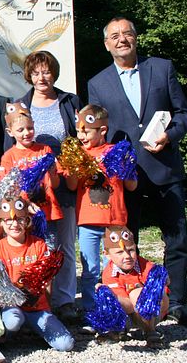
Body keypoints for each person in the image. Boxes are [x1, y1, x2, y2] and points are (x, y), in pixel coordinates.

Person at [87, 17, 187, 327]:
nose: (122, 39)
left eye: (127, 33)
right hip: (125, 177)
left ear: (136, 38)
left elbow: (184, 113)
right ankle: (133, 302)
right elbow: (98, 133)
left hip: (165, 167)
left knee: (177, 240)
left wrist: (170, 135)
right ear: (107, 44)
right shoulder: (97, 83)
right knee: (125, 241)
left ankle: (176, 302)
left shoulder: (162, 68)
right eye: (115, 36)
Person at [16, 50, 83, 323]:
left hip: (64, 182)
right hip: (34, 189)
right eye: (36, 72)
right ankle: (40, 298)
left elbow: (79, 138)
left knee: (65, 244)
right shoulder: (20, 104)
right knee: (38, 245)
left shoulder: (69, 101)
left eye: (46, 71)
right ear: (29, 76)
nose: (41, 77)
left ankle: (65, 300)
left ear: (54, 73)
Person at [65, 105, 136, 313]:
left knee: (113, 268)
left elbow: (132, 186)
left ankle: (114, 309)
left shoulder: (115, 151)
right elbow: (70, 186)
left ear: (102, 130)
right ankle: (91, 309)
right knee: (90, 269)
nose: (81, 135)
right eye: (78, 130)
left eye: (86, 130)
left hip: (114, 222)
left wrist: (127, 167)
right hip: (87, 221)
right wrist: (74, 168)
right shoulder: (79, 153)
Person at [0, 196, 74, 352]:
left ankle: (34, 329)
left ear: (27, 220)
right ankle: (11, 333)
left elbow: (47, 282)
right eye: (9, 220)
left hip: (38, 309)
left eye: (20, 219)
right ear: (1, 222)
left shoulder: (39, 245)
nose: (14, 224)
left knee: (66, 345)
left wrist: (48, 310)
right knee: (13, 321)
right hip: (12, 307)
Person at [99, 226, 169, 347]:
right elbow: (127, 305)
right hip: (128, 312)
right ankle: (118, 329)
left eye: (131, 250)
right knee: (105, 294)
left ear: (136, 247)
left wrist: (161, 277)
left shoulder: (146, 265)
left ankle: (150, 330)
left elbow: (167, 281)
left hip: (151, 312)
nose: (127, 256)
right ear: (107, 254)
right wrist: (106, 295)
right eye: (119, 252)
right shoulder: (108, 273)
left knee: (137, 293)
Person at [0, 103, 62, 225]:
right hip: (22, 214)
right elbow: (8, 191)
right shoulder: (8, 157)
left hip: (47, 211)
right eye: (20, 130)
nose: (27, 133)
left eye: (30, 128)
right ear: (10, 132)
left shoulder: (45, 150)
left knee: (49, 244)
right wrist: (26, 203)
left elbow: (54, 185)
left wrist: (53, 173)